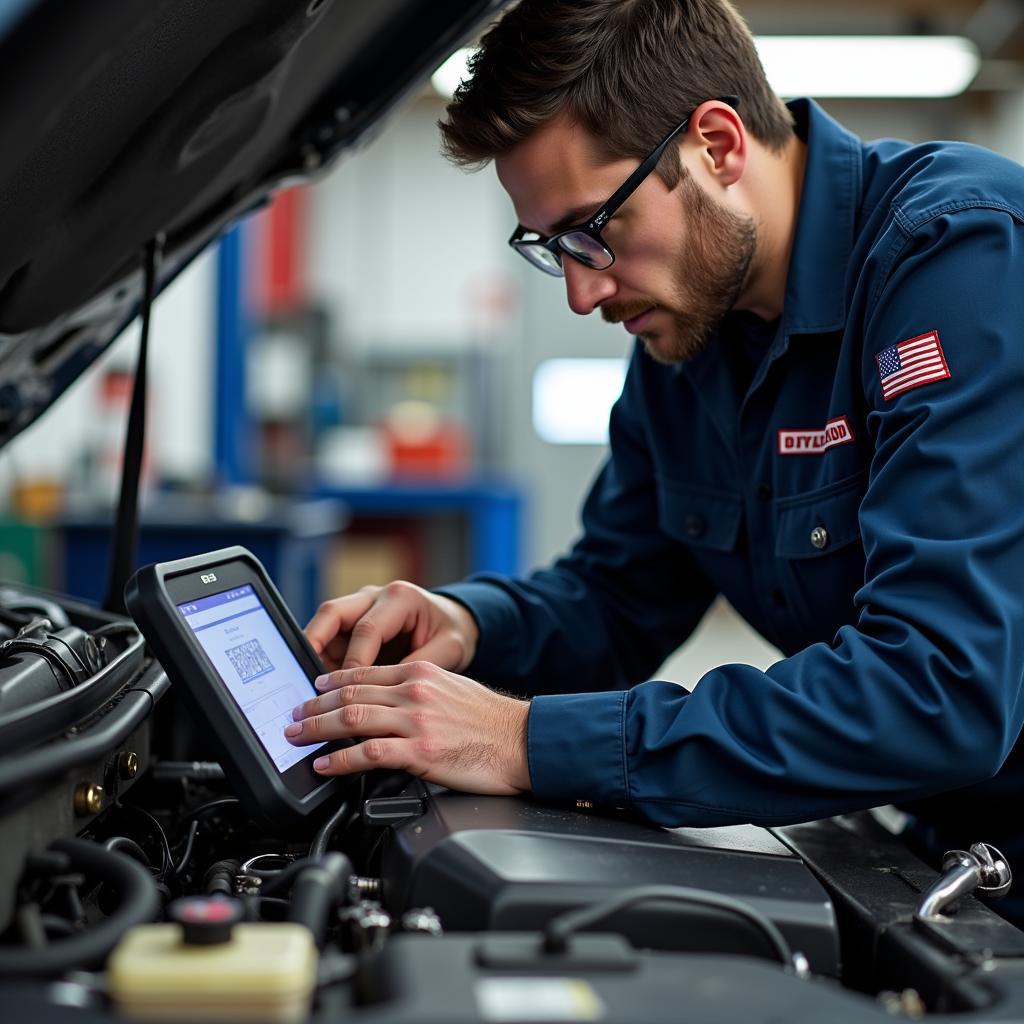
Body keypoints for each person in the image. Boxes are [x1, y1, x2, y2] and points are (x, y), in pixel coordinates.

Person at [285, 0, 1024, 912]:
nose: (583, 291)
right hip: (953, 849)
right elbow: (621, 592)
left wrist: (524, 741)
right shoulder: (692, 340)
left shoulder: (956, 256)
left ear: (715, 143)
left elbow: (940, 690)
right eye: (551, 248)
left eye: (596, 227)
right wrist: (470, 624)